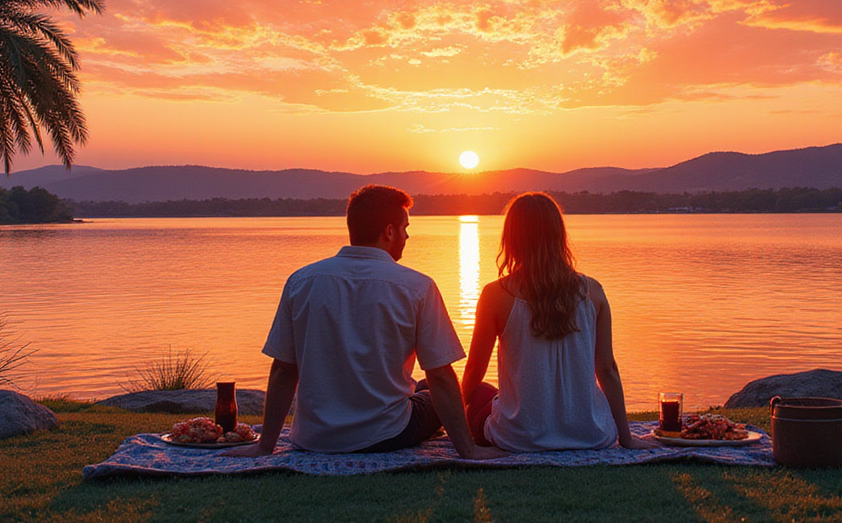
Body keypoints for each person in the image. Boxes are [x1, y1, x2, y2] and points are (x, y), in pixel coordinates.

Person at [225, 184, 504, 459]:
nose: (407, 236)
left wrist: (265, 446)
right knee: (431, 391)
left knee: (421, 389)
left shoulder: (301, 281)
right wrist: (467, 449)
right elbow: (441, 375)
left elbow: (284, 370)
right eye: (405, 228)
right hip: (386, 434)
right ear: (389, 231)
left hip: (315, 438)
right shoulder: (417, 287)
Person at [461, 192, 656, 451]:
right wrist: (626, 437)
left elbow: (475, 367)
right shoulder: (593, 292)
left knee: (481, 394)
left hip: (520, 438)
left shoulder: (495, 295)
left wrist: (458, 421)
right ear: (558, 235)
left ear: (512, 237)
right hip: (591, 434)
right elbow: (607, 369)